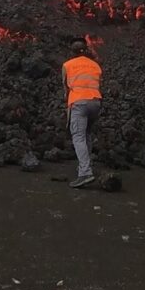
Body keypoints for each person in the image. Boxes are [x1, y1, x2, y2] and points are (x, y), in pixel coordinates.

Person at [62, 39, 102, 188]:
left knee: (78, 136)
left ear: (72, 52)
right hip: (96, 102)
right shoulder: (95, 65)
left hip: (79, 103)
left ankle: (85, 172)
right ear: (85, 51)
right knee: (86, 134)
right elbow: (98, 83)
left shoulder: (67, 65)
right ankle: (85, 165)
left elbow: (65, 88)